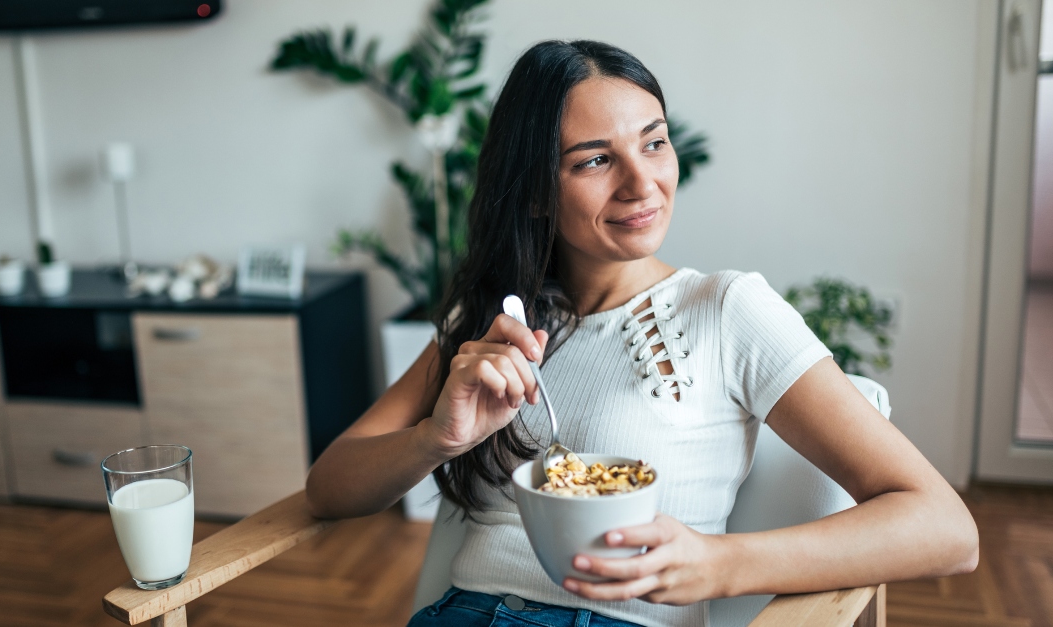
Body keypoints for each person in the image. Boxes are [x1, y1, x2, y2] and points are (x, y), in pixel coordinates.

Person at [305, 40, 979, 627]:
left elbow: (946, 529)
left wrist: (723, 563)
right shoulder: (491, 325)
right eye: (595, 160)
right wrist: (437, 438)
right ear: (537, 191)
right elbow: (329, 490)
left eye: (654, 141)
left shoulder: (725, 309)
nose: (642, 182)